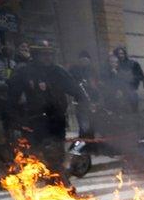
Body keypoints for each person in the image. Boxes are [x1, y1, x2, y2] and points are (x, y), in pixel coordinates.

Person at [7, 40, 86, 172]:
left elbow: (75, 90)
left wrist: (86, 104)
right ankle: (49, 176)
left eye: (50, 54)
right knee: (42, 154)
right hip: (36, 120)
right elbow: (12, 98)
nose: (47, 57)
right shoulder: (25, 72)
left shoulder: (58, 71)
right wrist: (15, 119)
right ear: (35, 55)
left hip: (57, 118)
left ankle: (58, 180)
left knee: (57, 151)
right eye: (43, 54)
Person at [68, 50, 100, 138]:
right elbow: (70, 83)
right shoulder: (74, 69)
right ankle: (84, 140)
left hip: (92, 100)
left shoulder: (93, 70)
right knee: (83, 124)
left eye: (86, 60)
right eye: (82, 60)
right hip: (80, 100)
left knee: (92, 122)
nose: (84, 62)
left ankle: (91, 141)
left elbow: (96, 85)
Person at [111, 47, 144, 112]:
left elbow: (141, 76)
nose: (120, 55)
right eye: (118, 54)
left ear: (125, 54)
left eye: (122, 53)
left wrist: (133, 79)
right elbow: (111, 79)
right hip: (118, 89)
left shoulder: (133, 63)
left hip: (131, 87)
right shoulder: (114, 64)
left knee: (133, 99)